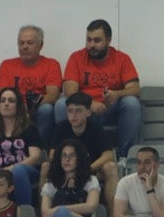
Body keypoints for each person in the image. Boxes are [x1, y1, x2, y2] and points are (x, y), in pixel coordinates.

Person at [60, 18, 143, 158]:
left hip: (111, 109)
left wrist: (117, 94)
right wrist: (89, 103)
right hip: (85, 110)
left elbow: (135, 89)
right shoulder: (77, 58)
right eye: (88, 40)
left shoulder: (122, 59)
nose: (91, 45)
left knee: (131, 103)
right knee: (61, 105)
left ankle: (124, 157)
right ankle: (70, 154)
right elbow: (70, 91)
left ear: (109, 40)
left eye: (97, 40)